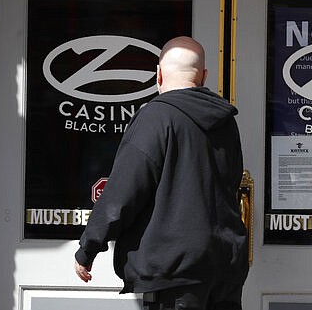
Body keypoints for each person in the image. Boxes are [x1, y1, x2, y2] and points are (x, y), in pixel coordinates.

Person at [74, 36, 249, 310]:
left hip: (174, 273)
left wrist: (88, 248)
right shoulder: (226, 122)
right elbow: (231, 181)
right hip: (224, 267)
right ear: (203, 75)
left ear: (158, 73)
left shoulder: (156, 117)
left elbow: (124, 192)